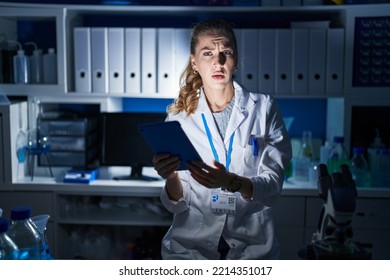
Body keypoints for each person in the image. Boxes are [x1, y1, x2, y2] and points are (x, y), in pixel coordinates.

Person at [152, 19, 292, 260]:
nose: (218, 62)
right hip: (190, 250)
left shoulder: (264, 108)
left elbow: (273, 186)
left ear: (235, 59)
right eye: (207, 53)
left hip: (252, 249)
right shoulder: (180, 117)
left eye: (225, 52)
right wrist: (171, 176)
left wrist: (232, 181)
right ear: (194, 62)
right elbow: (176, 203)